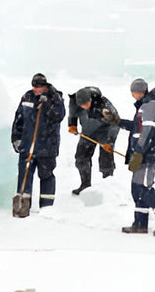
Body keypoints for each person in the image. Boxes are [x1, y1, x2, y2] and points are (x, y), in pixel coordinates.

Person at [109, 78, 155, 236]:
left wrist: (139, 153)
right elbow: (136, 127)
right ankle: (140, 224)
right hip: (142, 154)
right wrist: (117, 121)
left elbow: (147, 132)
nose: (132, 94)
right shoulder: (145, 105)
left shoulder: (150, 106)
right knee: (137, 189)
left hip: (147, 155)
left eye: (133, 91)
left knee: (144, 188)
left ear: (139, 91)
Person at [11, 72, 65, 217]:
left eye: (39, 87)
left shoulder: (55, 97)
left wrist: (47, 103)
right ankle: (23, 204)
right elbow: (19, 118)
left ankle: (47, 208)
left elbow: (58, 116)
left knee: (46, 175)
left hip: (47, 147)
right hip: (28, 145)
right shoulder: (27, 97)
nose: (36, 89)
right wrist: (16, 137)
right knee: (24, 175)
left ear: (45, 86)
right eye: (34, 86)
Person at [67, 86, 120, 195]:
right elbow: (72, 114)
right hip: (88, 132)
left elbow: (116, 123)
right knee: (81, 158)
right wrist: (72, 125)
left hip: (105, 131)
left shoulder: (103, 105)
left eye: (87, 104)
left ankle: (108, 186)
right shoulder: (74, 101)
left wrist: (110, 142)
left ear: (91, 99)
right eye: (83, 105)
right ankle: (85, 185)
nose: (85, 107)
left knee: (106, 160)